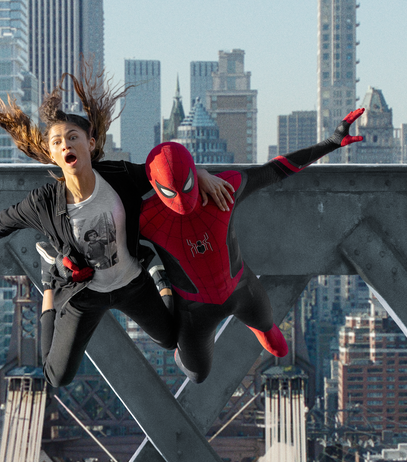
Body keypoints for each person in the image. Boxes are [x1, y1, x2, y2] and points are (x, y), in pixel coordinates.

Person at [0, 68, 231, 387]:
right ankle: (48, 285)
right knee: (57, 377)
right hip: (84, 292)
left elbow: (165, 167)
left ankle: (158, 275)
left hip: (133, 283)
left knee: (172, 337)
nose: (65, 145)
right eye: (57, 142)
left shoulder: (117, 175)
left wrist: (200, 174)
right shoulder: (44, 202)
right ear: (52, 153)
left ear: (90, 143)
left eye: (73, 138)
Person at [140, 109, 365, 383]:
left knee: (277, 345)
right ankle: (164, 286)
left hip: (241, 287)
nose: (180, 199)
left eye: (186, 185)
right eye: (170, 192)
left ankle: (260, 328)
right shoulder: (146, 217)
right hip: (194, 308)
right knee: (197, 374)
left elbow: (275, 170)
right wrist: (198, 172)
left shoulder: (225, 188)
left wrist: (330, 143)